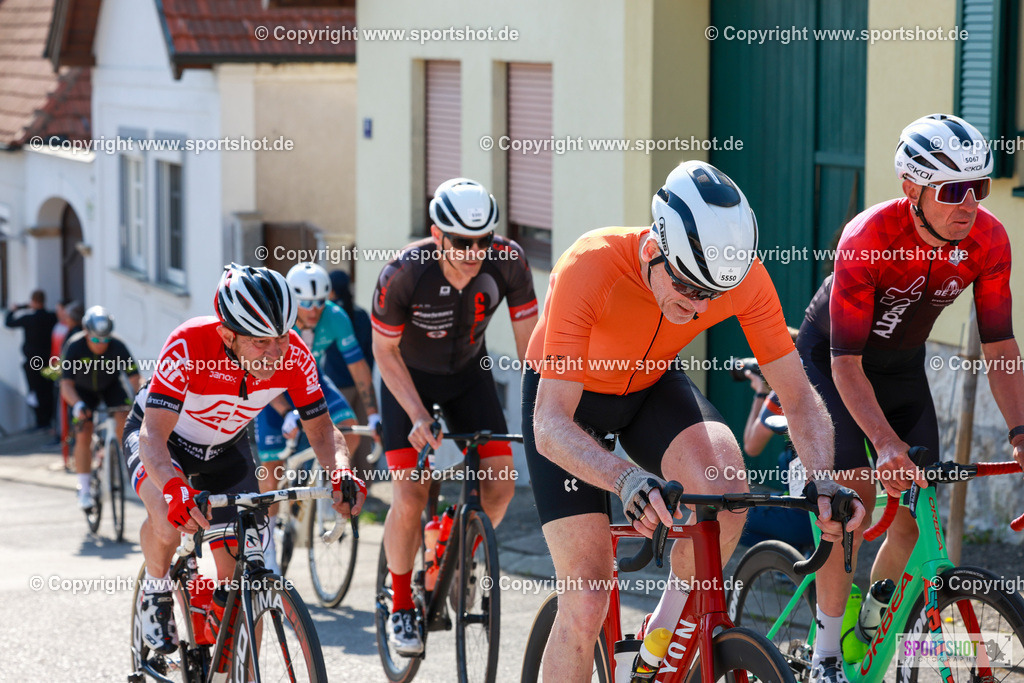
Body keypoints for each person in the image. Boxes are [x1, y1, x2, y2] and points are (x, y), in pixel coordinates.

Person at [522, 160, 865, 682]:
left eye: (711, 295)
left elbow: (798, 395)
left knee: (727, 490)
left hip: (650, 385)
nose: (698, 305)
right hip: (570, 404)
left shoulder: (743, 278)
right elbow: (548, 423)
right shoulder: (589, 264)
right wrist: (623, 477)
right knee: (588, 597)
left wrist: (822, 476)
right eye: (688, 288)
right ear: (654, 250)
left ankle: (659, 638)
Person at [797, 113, 1024, 682]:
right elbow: (845, 364)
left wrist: (1021, 432)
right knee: (852, 507)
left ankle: (872, 620)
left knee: (917, 522)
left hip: (900, 368)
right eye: (952, 190)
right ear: (912, 189)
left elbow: (1001, 346)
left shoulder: (989, 239)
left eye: (979, 187)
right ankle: (826, 651)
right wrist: (884, 445)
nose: (968, 203)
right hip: (833, 362)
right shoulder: (868, 239)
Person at [125, 263, 366, 655]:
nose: (275, 354)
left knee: (236, 572)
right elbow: (154, 436)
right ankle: (156, 589)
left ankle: (222, 643)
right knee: (168, 522)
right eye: (260, 343)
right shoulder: (188, 345)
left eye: (282, 338)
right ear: (227, 334)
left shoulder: (295, 356)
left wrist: (341, 472)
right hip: (163, 441)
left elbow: (322, 430)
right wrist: (174, 488)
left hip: (225, 447)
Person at [372, 177, 538, 655]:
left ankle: (449, 537)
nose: (473, 252)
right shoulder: (404, 273)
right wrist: (419, 416)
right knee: (409, 491)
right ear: (436, 233)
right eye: (461, 242)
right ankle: (401, 601)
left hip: (470, 376)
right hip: (409, 379)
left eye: (483, 241)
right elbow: (384, 351)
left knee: (501, 486)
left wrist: (550, 405)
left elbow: (532, 349)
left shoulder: (509, 262)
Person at [253, 262, 378, 572]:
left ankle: (320, 472)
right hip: (272, 385)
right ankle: (266, 544)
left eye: (321, 301)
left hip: (310, 379)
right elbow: (261, 375)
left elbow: (358, 366)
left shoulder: (335, 317)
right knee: (271, 467)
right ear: (293, 301)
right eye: (306, 303)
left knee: (350, 429)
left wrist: (374, 414)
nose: (314, 309)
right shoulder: (275, 320)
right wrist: (286, 413)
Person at [60, 306, 143, 509]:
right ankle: (85, 488)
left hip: (110, 387)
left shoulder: (118, 346)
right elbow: (66, 386)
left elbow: (134, 378)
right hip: (83, 391)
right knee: (84, 430)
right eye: (96, 340)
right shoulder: (75, 346)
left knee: (125, 418)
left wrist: (142, 400)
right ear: (86, 333)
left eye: (105, 339)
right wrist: (78, 404)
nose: (101, 345)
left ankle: (122, 464)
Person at [323, 269, 376, 473]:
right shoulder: (361, 314)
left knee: (343, 435)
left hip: (337, 387)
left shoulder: (331, 315)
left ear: (332, 291)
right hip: (362, 386)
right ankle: (365, 482)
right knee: (363, 435)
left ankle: (346, 480)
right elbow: (369, 353)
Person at [5, 289, 58, 430]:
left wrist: (15, 309)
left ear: (33, 302)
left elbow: (9, 322)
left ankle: (40, 421)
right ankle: (49, 419)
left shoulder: (29, 319)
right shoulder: (51, 317)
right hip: (48, 360)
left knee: (35, 391)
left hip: (33, 362)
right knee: (48, 389)